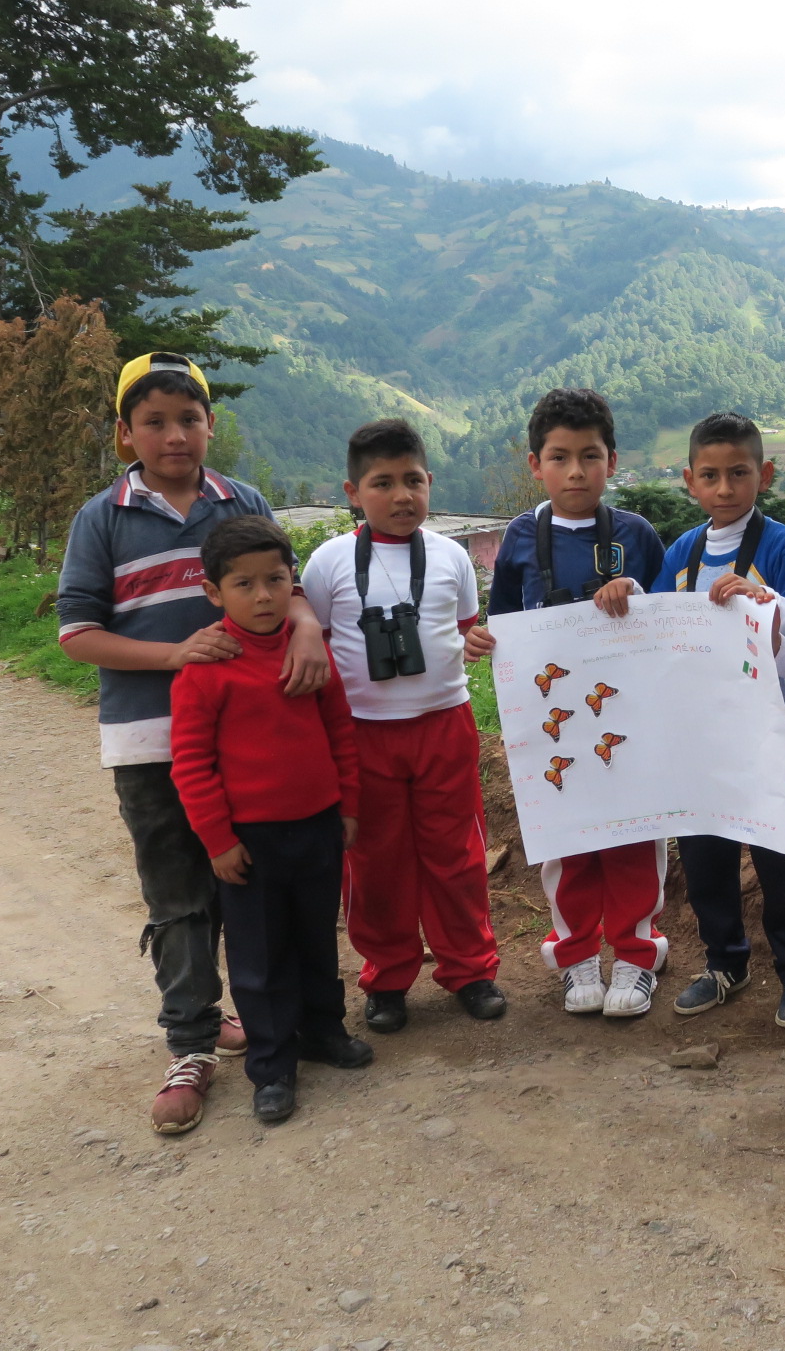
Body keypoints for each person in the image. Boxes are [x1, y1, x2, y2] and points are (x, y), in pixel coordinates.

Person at [56, 352, 332, 1136]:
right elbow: (78, 634)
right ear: (125, 433)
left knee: (246, 888)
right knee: (179, 893)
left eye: (189, 419)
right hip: (150, 740)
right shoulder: (102, 518)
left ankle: (268, 1022)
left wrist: (306, 628)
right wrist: (175, 655)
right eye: (154, 422)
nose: (174, 436)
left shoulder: (241, 501)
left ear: (211, 425)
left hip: (252, 745)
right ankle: (191, 1043)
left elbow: (290, 585)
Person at [301, 418, 506, 1035]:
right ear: (352, 492)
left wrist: (476, 643)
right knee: (375, 859)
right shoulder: (329, 562)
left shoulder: (451, 556)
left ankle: (470, 969)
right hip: (362, 732)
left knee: (457, 854)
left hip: (444, 723)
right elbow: (314, 638)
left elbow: (464, 626)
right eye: (382, 483)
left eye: (413, 481)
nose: (401, 496)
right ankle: (387, 977)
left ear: (430, 481)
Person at [468, 388, 667, 1016]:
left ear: (612, 461)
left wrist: (636, 592)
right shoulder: (520, 537)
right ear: (536, 464)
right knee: (566, 840)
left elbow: (671, 617)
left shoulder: (636, 534)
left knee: (636, 837)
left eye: (589, 456)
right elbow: (505, 622)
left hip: (626, 715)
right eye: (559, 457)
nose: (575, 471)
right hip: (552, 719)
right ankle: (576, 954)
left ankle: (637, 956)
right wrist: (482, 640)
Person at [170, 515, 374, 1124]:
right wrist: (217, 840)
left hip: (318, 827)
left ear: (293, 582)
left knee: (316, 939)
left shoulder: (310, 653)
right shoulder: (206, 670)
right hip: (249, 843)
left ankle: (323, 1032)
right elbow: (191, 764)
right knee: (260, 958)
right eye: (244, 584)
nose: (263, 596)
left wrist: (348, 806)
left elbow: (340, 731)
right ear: (214, 592)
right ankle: (272, 1065)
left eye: (276, 580)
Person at [645, 412, 785, 1027]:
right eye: (711, 476)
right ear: (689, 480)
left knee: (781, 863)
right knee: (704, 862)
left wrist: (759, 600)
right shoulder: (682, 552)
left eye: (739, 474)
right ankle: (725, 962)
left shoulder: (782, 545)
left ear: (764, 475)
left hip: (769, 736)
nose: (725, 488)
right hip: (701, 738)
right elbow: (656, 627)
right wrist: (625, 598)